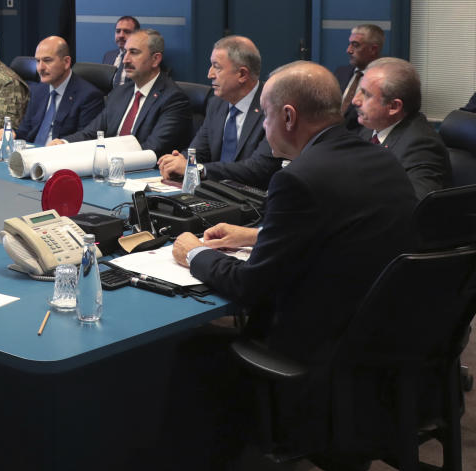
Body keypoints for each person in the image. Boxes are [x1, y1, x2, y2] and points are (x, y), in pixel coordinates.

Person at [172, 61, 416, 366]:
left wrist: (195, 254)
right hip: (380, 335)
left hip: (313, 348)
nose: (262, 126)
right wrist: (255, 235)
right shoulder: (383, 158)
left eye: (265, 116)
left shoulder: (297, 179)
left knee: (181, 351)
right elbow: (342, 233)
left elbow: (250, 287)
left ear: (288, 116)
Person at [157, 36, 281, 189]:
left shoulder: (272, 108)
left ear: (242, 74)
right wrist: (178, 161)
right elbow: (198, 151)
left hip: (252, 201)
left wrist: (198, 169)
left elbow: (258, 168)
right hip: (214, 193)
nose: (210, 74)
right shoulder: (217, 103)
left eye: (217, 67)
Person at [51, 29, 191, 156]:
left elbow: (152, 148)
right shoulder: (120, 93)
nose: (125, 60)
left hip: (142, 175)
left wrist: (107, 158)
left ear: (155, 59)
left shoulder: (173, 99)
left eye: (134, 52)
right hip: (109, 169)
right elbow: (91, 133)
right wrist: (64, 143)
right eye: (125, 52)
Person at [353, 57, 451, 199]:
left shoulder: (421, 146)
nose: (355, 100)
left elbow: (416, 205)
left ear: (393, 107)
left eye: (366, 94)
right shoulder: (370, 128)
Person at [0, 36, 103, 146]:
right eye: (38, 61)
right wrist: (12, 133)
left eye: (47, 60)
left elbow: (86, 139)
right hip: (31, 152)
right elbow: (25, 130)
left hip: (60, 157)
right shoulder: (38, 90)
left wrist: (62, 143)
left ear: (66, 62)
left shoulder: (88, 96)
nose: (40, 68)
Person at [335, 24, 385, 130]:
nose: (348, 50)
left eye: (355, 45)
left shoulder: (384, 80)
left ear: (373, 49)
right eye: (349, 44)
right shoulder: (341, 72)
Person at [102, 16, 139, 86]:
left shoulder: (143, 58)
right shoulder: (108, 56)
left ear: (137, 34)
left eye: (127, 32)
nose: (121, 35)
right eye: (118, 31)